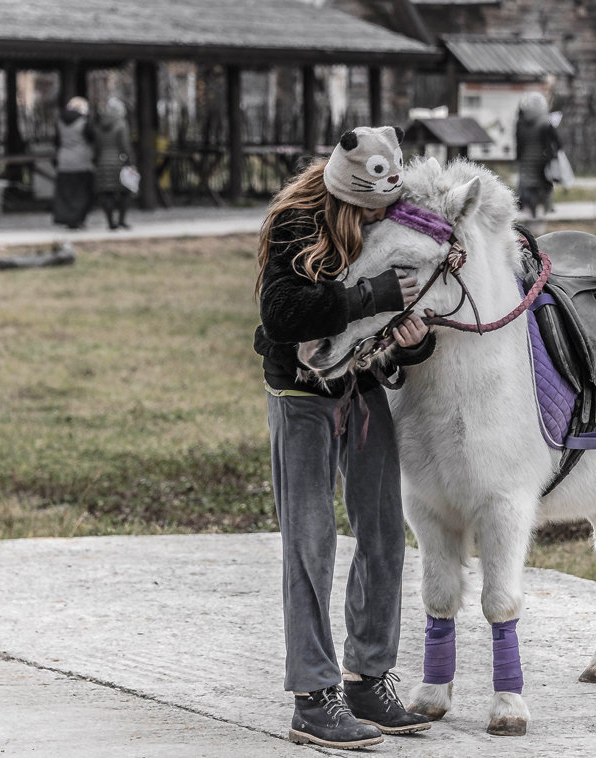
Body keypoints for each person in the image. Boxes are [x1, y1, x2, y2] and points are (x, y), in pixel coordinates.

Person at [253, 125, 435, 750]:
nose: (379, 217)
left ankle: (368, 677)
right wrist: (369, 295)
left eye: (385, 207)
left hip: (362, 388)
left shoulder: (393, 220)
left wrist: (416, 339)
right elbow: (280, 314)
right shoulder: (297, 223)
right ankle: (312, 695)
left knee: (384, 529)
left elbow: (404, 314)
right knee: (311, 540)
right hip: (302, 394)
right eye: (368, 209)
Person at [514, 91, 561, 219]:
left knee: (528, 186)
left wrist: (519, 158)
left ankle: (531, 212)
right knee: (544, 186)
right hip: (542, 161)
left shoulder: (521, 123)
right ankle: (545, 212)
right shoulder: (545, 122)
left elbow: (518, 143)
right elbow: (557, 142)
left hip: (525, 161)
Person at [52, 96, 95, 230]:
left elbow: (56, 142)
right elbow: (92, 137)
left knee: (66, 193)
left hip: (64, 161)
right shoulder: (84, 122)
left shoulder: (59, 122)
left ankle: (67, 219)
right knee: (81, 193)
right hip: (81, 162)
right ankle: (78, 219)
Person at [94, 97, 133, 230]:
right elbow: (125, 146)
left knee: (107, 193)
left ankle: (111, 222)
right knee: (126, 191)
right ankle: (122, 220)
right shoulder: (122, 124)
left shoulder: (100, 125)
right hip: (119, 163)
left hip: (103, 163)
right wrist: (130, 161)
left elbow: (97, 146)